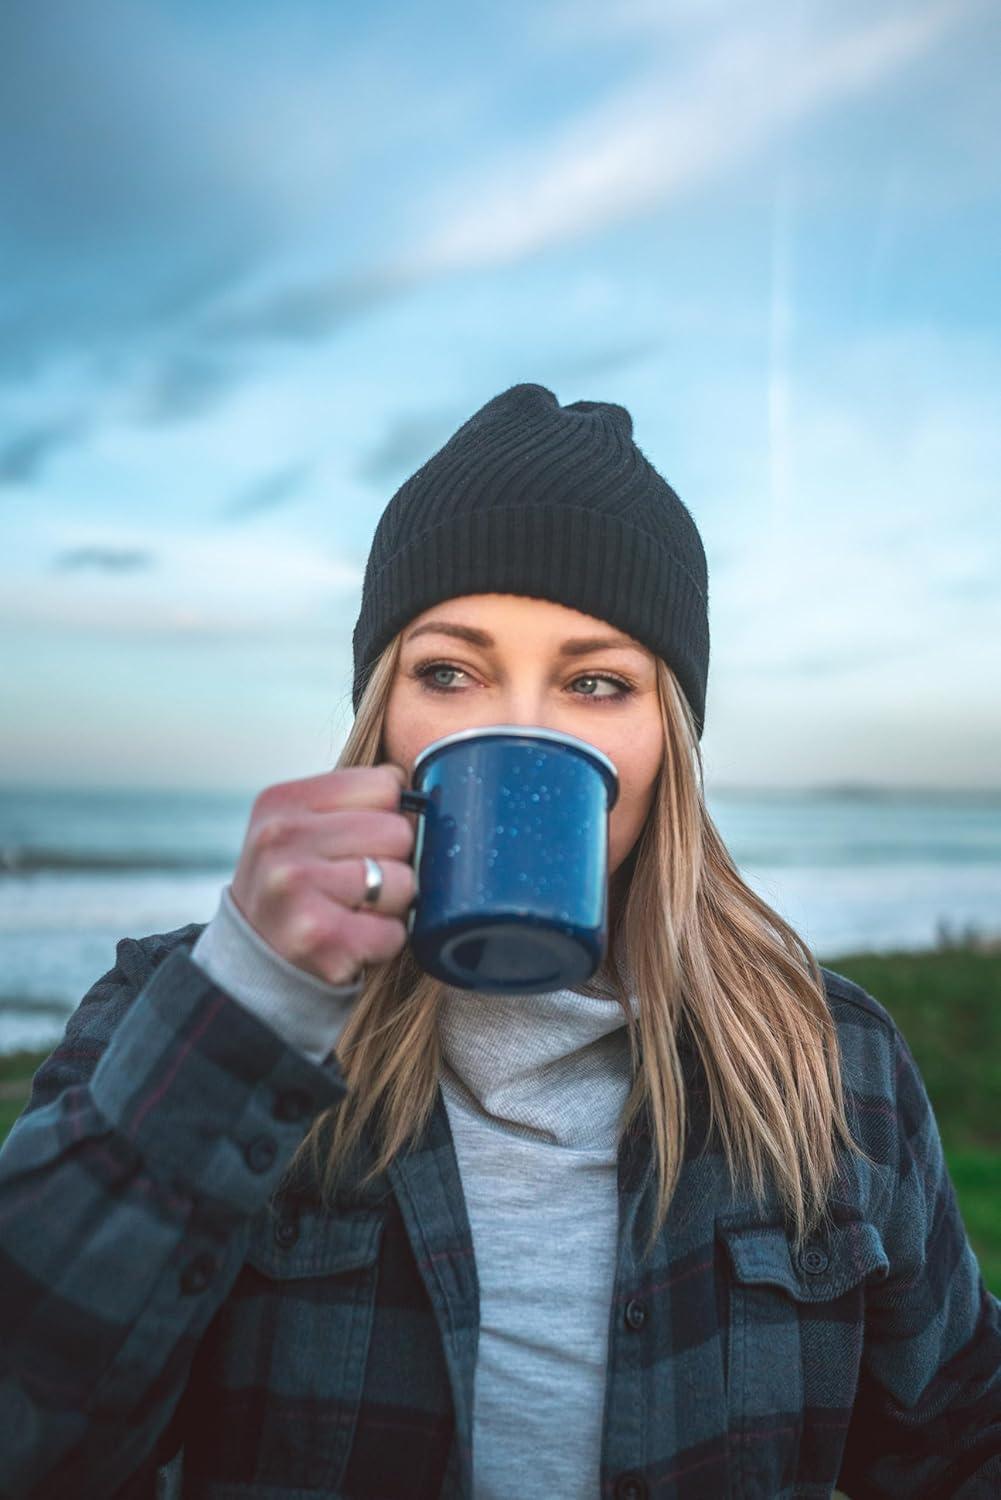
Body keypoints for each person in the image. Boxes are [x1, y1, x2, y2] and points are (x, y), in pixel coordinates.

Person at [0, 382, 998, 1500]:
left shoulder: (830, 1061)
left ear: (663, 743)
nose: (517, 728)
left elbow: (960, 1441)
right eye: (448, 671)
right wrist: (247, 1002)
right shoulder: (179, 1009)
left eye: (594, 682)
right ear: (382, 717)